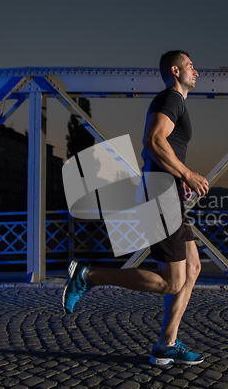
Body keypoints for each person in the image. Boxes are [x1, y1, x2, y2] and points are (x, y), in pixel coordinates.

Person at [63, 50, 209, 366]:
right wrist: (187, 173)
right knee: (172, 281)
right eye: (190, 66)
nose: (195, 71)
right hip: (160, 194)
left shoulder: (175, 101)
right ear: (175, 70)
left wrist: (177, 174)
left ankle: (166, 344)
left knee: (193, 268)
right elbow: (153, 142)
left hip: (167, 191)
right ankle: (88, 275)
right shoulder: (171, 98)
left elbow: (162, 148)